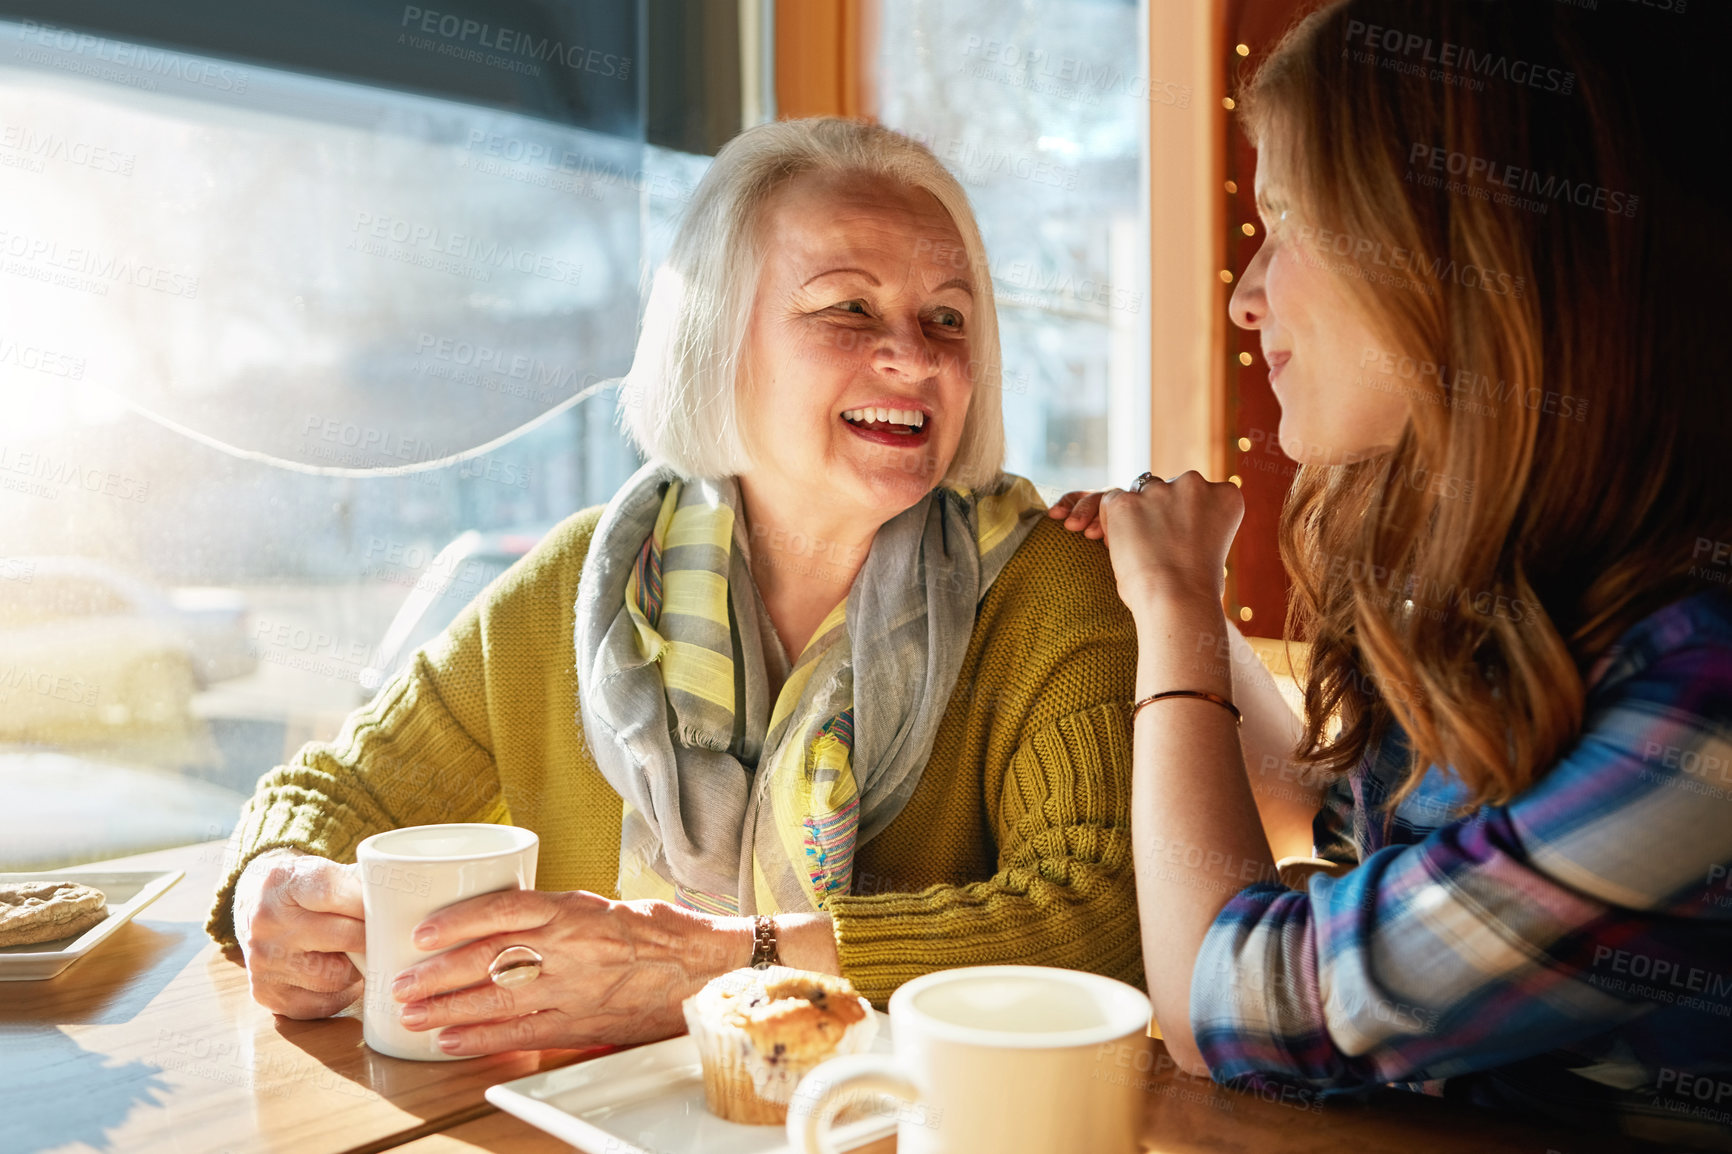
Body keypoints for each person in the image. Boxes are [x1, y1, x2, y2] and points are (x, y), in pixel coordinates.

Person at [207, 118, 1148, 1056]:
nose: (918, 355)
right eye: (848, 308)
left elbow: (1102, 920)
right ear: (717, 338)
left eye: (948, 316)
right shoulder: (582, 583)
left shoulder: (1053, 588)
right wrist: (274, 890)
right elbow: (334, 793)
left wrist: (705, 965)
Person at [1054, 0, 1732, 1146]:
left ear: (1458, 254)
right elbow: (1302, 803)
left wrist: (1175, 620)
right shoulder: (1498, 600)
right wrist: (1175, 601)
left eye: (1285, 223)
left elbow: (1221, 994)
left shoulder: (1697, 707)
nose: (1243, 296)